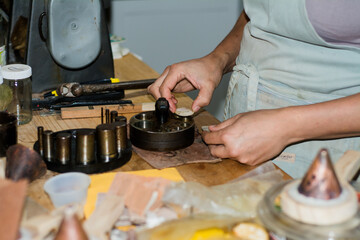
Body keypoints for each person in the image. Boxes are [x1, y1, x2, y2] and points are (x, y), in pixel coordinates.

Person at [147, 0, 360, 178]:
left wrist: (287, 126)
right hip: (245, 132)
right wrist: (217, 61)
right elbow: (264, 13)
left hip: (333, 151)